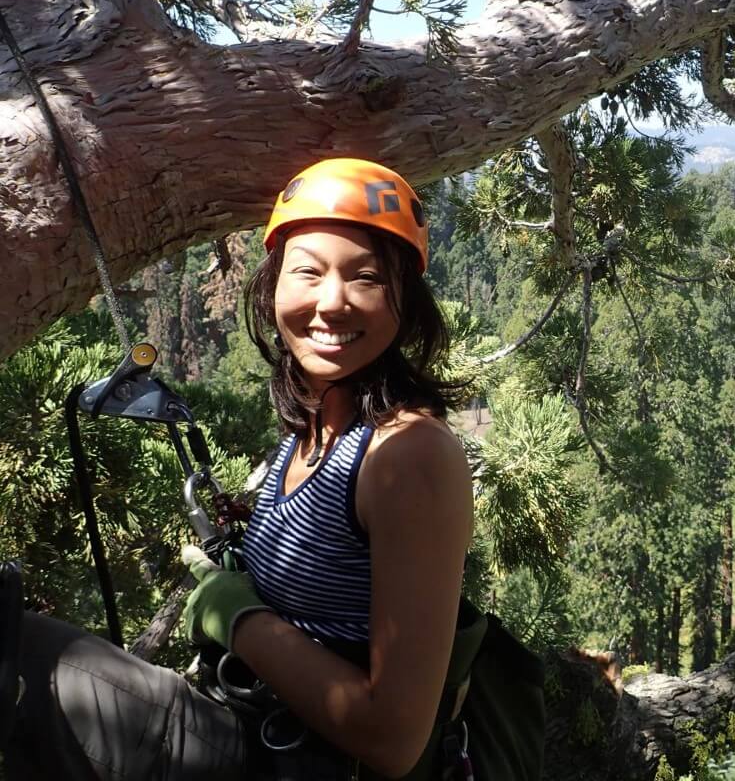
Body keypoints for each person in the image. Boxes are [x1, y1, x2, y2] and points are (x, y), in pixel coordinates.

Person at [2, 158, 473, 780]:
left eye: (366, 278)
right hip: (250, 725)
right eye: (308, 272)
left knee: (21, 651)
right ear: (273, 284)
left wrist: (239, 618)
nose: (332, 303)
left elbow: (393, 739)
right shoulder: (313, 429)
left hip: (280, 756)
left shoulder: (410, 454)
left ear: (405, 303)